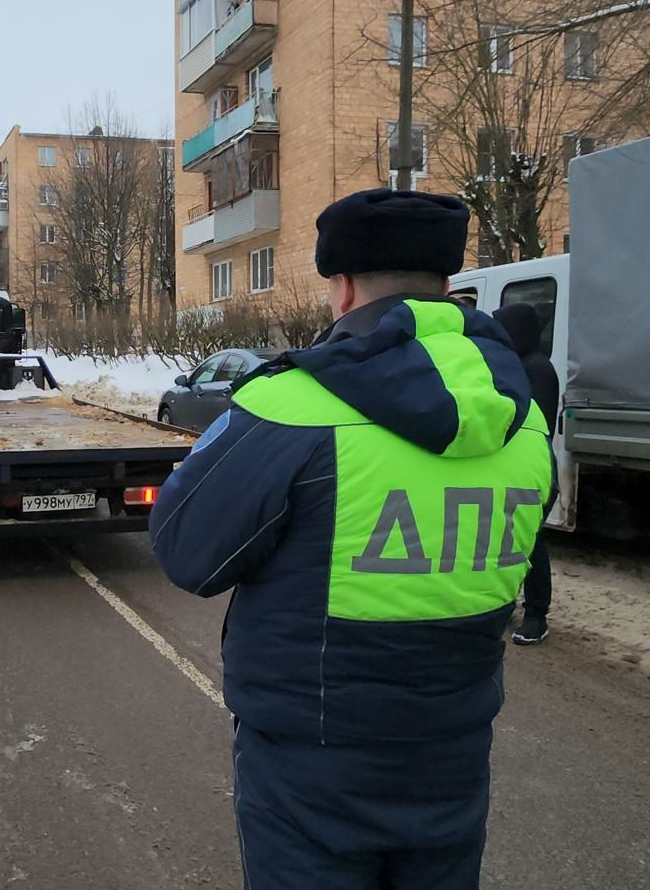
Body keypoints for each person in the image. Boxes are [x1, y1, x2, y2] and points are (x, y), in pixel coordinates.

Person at [150, 188, 552, 890]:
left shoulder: (292, 405)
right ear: (448, 286)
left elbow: (186, 548)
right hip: (453, 753)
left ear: (341, 289)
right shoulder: (524, 418)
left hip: (312, 764)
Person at [493, 302, 561, 645]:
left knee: (531, 542)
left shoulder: (537, 369)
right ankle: (509, 603)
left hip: (534, 469)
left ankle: (537, 615)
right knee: (512, 539)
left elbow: (532, 423)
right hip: (518, 467)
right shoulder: (520, 365)